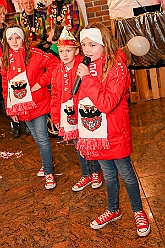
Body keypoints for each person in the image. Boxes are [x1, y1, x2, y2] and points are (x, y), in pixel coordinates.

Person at [75, 22, 150, 237]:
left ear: (105, 45)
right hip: (96, 132)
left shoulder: (117, 68)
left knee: (126, 174)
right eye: (83, 44)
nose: (86, 49)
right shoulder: (87, 66)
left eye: (91, 44)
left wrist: (87, 79)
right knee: (108, 174)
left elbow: (107, 103)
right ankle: (113, 209)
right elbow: (82, 100)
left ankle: (138, 211)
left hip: (115, 132)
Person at [1, 23, 59, 189]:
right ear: (6, 41)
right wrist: (9, 107)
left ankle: (48, 171)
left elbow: (54, 65)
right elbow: (6, 86)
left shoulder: (35, 53)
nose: (14, 41)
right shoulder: (6, 60)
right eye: (10, 38)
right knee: (37, 138)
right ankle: (48, 161)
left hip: (38, 103)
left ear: (23, 38)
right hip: (21, 107)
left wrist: (40, 83)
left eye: (17, 37)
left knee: (42, 138)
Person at [50, 26, 102, 191]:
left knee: (89, 143)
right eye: (61, 51)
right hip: (68, 114)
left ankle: (96, 172)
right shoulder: (57, 70)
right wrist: (56, 117)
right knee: (79, 145)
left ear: (76, 50)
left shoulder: (83, 65)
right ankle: (86, 174)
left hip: (84, 112)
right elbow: (56, 95)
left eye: (68, 51)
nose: (64, 55)